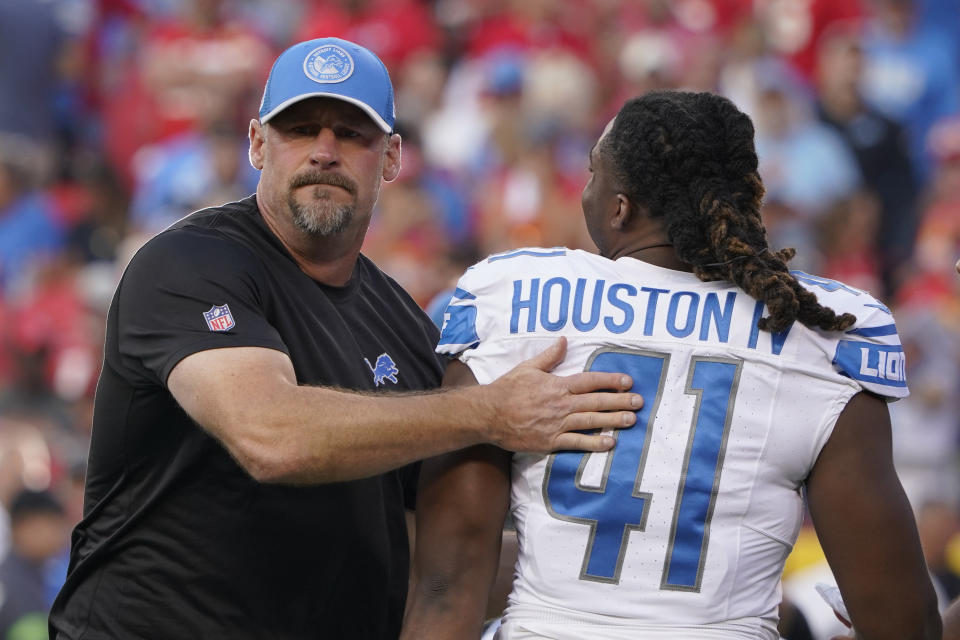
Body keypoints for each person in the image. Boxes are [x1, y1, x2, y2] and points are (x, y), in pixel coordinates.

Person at [48, 37, 642, 640]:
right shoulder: (188, 263)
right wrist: (490, 412)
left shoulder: (406, 329)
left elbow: (435, 550)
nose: (324, 153)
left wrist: (607, 562)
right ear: (257, 144)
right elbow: (269, 435)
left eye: (351, 134)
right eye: (300, 130)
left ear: (390, 158)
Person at [401, 90, 941, 640]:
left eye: (593, 174)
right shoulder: (820, 332)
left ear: (620, 206)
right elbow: (901, 617)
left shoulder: (512, 300)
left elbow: (447, 587)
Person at [0, 489, 67, 640]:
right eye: (50, 524)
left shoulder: (46, 576)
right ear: (21, 527)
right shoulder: (6, 585)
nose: (57, 534)